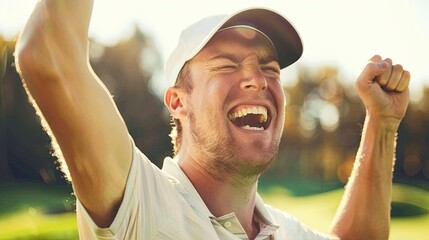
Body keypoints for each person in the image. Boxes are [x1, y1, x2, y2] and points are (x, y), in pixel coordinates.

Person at [15, 0, 410, 239]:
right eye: (227, 65)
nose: (258, 78)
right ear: (177, 101)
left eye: (270, 69)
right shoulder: (143, 205)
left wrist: (383, 122)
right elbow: (49, 54)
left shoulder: (283, 232)